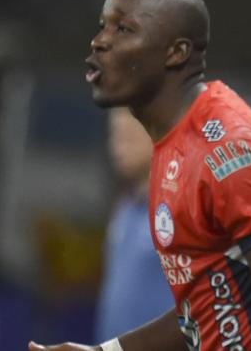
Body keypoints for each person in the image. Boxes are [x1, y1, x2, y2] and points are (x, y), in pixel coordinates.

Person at [30, 0, 251, 351]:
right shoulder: (173, 144)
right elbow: (205, 308)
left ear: (176, 53)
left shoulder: (228, 149)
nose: (100, 41)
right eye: (103, 27)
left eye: (124, 29)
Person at [94, 108, 175, 341]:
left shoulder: (176, 209)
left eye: (128, 137)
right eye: (114, 136)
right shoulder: (124, 207)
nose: (117, 146)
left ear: (156, 135)